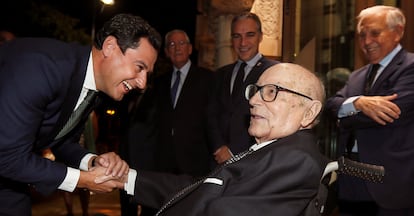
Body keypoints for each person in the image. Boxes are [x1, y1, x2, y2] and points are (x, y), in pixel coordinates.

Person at [99, 62, 329, 215]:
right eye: (256, 91)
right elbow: (203, 187)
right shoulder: (275, 150)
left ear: (309, 113)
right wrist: (125, 178)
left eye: (271, 92)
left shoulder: (296, 159)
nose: (253, 101)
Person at [0, 13, 162, 215]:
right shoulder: (41, 67)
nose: (142, 83)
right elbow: (7, 156)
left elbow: (62, 143)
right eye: (139, 67)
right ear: (110, 47)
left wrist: (94, 162)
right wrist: (82, 180)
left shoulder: (94, 91)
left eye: (147, 74)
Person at [325, 5, 414, 215]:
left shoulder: (410, 67)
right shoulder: (357, 75)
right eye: (361, 35)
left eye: (375, 33)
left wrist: (345, 114)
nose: (366, 42)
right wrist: (357, 103)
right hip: (352, 179)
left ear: (398, 32)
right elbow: (330, 105)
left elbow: (392, 114)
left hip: (391, 181)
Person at [208, 12, 279, 164]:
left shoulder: (274, 72)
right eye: (236, 36)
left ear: (260, 36)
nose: (243, 43)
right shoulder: (220, 74)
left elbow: (272, 119)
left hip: (255, 159)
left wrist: (234, 150)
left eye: (250, 35)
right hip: (217, 161)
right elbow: (211, 115)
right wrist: (219, 147)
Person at [153, 29, 215, 176]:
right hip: (164, 163)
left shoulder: (208, 79)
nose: (177, 48)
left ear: (190, 48)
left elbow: (213, 118)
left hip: (196, 161)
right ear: (167, 51)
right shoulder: (159, 83)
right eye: (172, 44)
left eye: (182, 43)